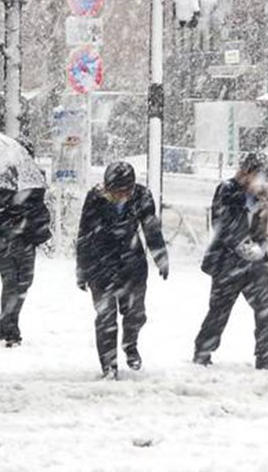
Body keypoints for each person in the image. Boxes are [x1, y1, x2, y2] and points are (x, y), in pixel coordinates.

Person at [76, 162, 168, 379]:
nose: (119, 196)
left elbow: (151, 229)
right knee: (105, 318)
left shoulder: (142, 196)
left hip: (132, 264)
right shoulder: (95, 198)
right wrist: (82, 270)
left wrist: (161, 258)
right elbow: (84, 235)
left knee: (135, 314)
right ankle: (109, 366)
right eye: (114, 191)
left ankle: (130, 343)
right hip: (101, 265)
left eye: (124, 191)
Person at [193, 153, 268, 370]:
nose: (262, 182)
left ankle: (267, 357)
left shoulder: (261, 198)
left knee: (265, 310)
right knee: (219, 311)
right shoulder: (227, 190)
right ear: (247, 173)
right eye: (258, 177)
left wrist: (261, 251)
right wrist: (242, 246)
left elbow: (261, 230)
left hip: (254, 264)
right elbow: (222, 224)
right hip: (227, 263)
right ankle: (202, 353)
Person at [0, 186, 52, 347]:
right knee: (11, 282)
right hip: (3, 240)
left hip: (26, 240)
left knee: (24, 282)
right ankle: (10, 329)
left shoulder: (32, 184)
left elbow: (39, 208)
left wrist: (31, 221)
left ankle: (4, 323)